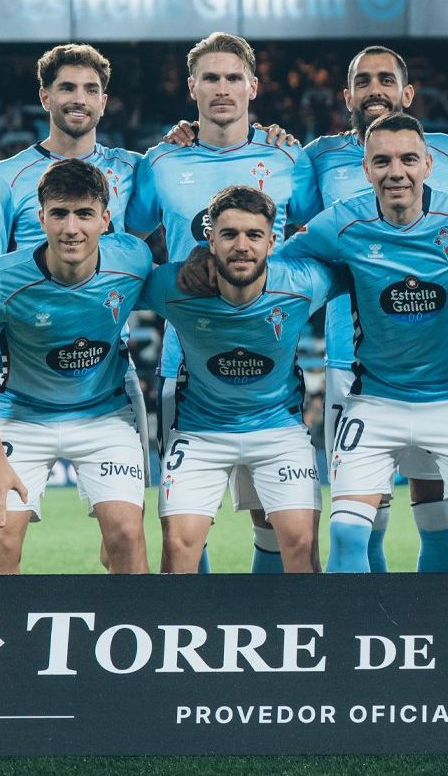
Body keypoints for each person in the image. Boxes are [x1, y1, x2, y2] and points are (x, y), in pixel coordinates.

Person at [279, 112, 448, 572]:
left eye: (408, 159)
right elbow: (279, 267)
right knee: (346, 535)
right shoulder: (342, 221)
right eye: (382, 161)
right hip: (375, 401)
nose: (396, 172)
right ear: (366, 169)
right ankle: (353, 622)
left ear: (427, 165)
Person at [125, 32, 322, 575]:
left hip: (270, 353)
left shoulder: (289, 156)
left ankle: (264, 619)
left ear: (253, 86)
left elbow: (318, 237)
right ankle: (198, 621)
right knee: (186, 525)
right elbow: (127, 240)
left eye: (233, 77)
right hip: (185, 363)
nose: (222, 88)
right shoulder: (161, 160)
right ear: (192, 88)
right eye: (210, 78)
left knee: (273, 522)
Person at [301, 46, 448, 573]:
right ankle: (367, 623)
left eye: (386, 79)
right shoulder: (316, 157)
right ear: (346, 95)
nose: (374, 89)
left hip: (436, 364)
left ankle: (436, 620)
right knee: (362, 514)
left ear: (408, 93)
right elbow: (296, 237)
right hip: (350, 361)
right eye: (363, 81)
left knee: (435, 506)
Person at [0, 42, 151, 506]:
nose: (78, 99)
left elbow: (151, 247)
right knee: (1, 526)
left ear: (104, 101)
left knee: (133, 522)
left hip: (109, 367)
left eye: (90, 89)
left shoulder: (134, 168)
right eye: (67, 87)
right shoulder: (6, 176)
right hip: (28, 361)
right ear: (45, 96)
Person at [0, 159, 151, 574]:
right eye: (59, 213)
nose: (71, 228)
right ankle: (4, 621)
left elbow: (175, 292)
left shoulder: (133, 260)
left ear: (105, 220)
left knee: (126, 535)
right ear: (41, 217)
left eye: (84, 214)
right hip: (23, 416)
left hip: (104, 414)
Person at [139, 185, 340, 573]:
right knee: (178, 548)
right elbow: (107, 282)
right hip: (200, 432)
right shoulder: (174, 286)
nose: (242, 246)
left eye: (254, 235)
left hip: (278, 430)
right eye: (229, 234)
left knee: (301, 545)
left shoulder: (304, 283)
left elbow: (365, 271)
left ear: (272, 241)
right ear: (210, 240)